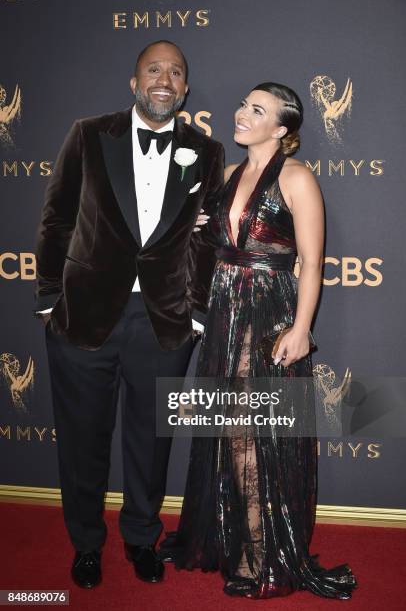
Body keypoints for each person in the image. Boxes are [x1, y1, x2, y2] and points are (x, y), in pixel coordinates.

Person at [34, 40, 224, 589]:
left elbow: (207, 241)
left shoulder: (205, 153)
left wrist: (196, 316)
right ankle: (86, 544)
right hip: (83, 318)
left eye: (176, 72)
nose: (165, 78)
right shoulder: (89, 134)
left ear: (185, 89)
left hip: (164, 325)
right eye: (154, 69)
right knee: (82, 441)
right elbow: (56, 218)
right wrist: (51, 299)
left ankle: (142, 537)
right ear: (134, 81)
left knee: (151, 441)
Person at [159, 82, 357, 600]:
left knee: (255, 438)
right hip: (225, 314)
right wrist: (200, 226)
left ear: (282, 129)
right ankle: (235, 542)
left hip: (269, 314)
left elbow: (311, 263)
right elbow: (210, 242)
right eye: (244, 105)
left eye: (257, 109)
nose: (241, 113)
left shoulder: (297, 178)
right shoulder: (225, 176)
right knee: (230, 433)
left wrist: (300, 329)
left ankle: (263, 557)